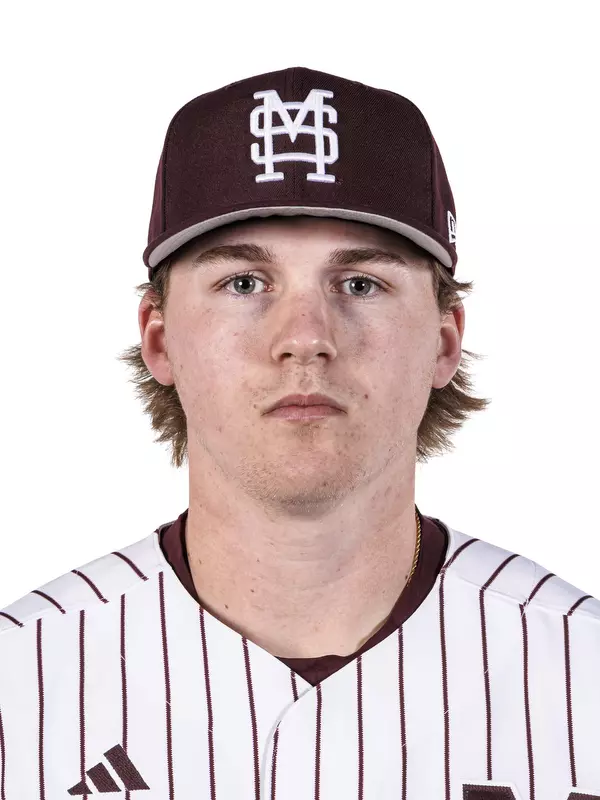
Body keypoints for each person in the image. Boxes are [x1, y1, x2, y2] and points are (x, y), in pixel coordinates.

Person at [0, 66, 598, 800]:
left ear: (445, 341)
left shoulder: (583, 673)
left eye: (361, 284)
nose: (306, 338)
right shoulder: (18, 687)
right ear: (159, 338)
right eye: (244, 284)